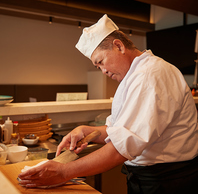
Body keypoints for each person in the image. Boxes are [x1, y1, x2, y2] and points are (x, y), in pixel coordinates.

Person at [18, 14, 198, 194]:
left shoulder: (151, 74)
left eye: (101, 62)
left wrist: (63, 172)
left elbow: (122, 147)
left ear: (118, 46)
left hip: (168, 181)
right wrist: (87, 131)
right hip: (149, 179)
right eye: (98, 67)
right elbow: (122, 132)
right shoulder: (133, 77)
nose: (103, 71)